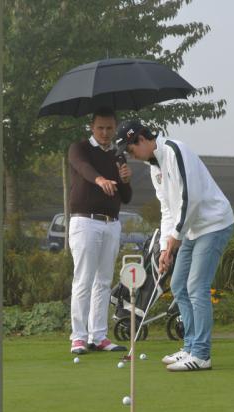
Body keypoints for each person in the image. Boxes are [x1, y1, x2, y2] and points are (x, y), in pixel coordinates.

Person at [115, 120, 234, 371]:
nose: (131, 156)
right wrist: (164, 247)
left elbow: (191, 197)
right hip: (192, 229)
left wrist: (176, 237)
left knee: (196, 286)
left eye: (131, 149)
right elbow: (167, 210)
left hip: (213, 223)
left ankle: (201, 354)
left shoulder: (174, 150)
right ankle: (190, 346)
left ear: (141, 139)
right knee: (179, 284)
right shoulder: (154, 168)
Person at [68, 107, 132, 354]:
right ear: (92, 127)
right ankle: (78, 337)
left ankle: (99, 336)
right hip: (85, 222)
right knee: (84, 279)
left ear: (115, 128)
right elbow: (83, 167)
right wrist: (100, 180)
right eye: (100, 128)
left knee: (103, 281)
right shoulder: (79, 148)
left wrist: (125, 179)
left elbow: (126, 196)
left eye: (109, 128)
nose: (105, 132)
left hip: (111, 223)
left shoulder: (118, 155)